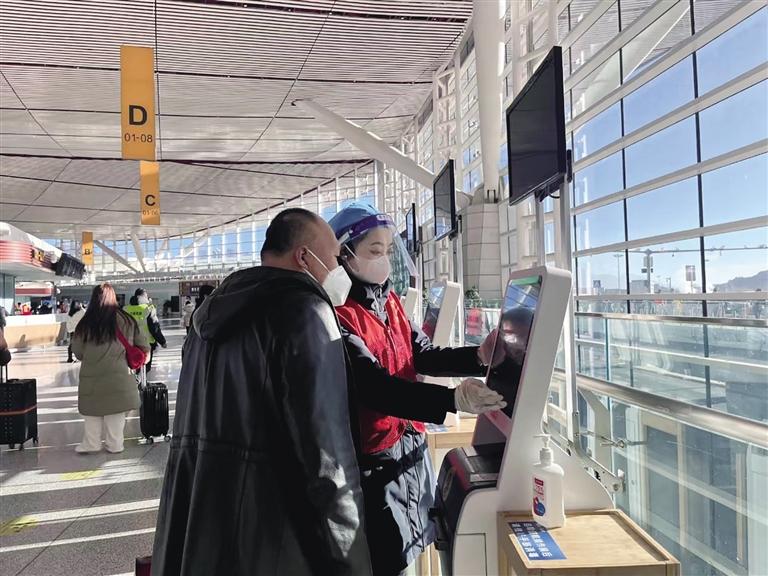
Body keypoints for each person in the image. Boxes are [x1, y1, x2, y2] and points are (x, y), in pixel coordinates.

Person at [152, 208, 371, 576]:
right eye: (335, 257)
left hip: (205, 539)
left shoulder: (208, 319)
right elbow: (327, 461)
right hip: (276, 543)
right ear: (304, 257)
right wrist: (354, 563)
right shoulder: (306, 313)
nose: (340, 269)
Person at [328, 203, 505, 576]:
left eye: (387, 250)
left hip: (409, 447)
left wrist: (478, 356)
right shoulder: (339, 316)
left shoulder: (388, 301)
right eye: (374, 250)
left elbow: (422, 354)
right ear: (345, 255)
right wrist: (453, 399)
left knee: (415, 543)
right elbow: (375, 387)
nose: (384, 259)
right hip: (375, 465)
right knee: (388, 557)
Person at [71, 284, 149, 454]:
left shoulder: (85, 323)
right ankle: (115, 444)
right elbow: (144, 346)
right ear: (114, 298)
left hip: (92, 377)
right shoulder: (127, 320)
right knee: (116, 410)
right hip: (120, 376)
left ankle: (91, 444)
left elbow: (77, 352)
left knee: (92, 411)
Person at [124, 289, 166, 372]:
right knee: (146, 366)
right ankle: (142, 378)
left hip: (130, 342)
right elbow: (154, 327)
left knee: (132, 365)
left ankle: (135, 378)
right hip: (147, 342)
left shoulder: (125, 309)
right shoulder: (148, 309)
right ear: (144, 297)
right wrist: (162, 341)